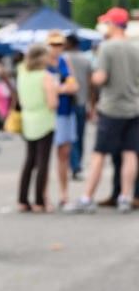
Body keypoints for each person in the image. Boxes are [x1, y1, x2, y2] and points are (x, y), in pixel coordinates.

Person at [67, 7, 139, 213]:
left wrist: (89, 76)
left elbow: (101, 78)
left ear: (114, 24)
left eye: (107, 23)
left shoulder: (107, 48)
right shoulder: (135, 47)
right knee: (130, 153)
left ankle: (87, 197)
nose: (105, 27)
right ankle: (126, 197)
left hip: (111, 108)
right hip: (133, 107)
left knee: (99, 153)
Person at [16, 43, 57, 212]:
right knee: (43, 162)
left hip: (27, 120)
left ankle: (23, 199)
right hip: (44, 121)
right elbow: (52, 102)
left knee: (29, 161)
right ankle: (40, 201)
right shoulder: (45, 76)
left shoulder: (22, 72)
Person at [45, 30, 80, 208]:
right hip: (49, 114)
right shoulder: (42, 63)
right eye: (53, 44)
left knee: (64, 154)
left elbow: (74, 86)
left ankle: (63, 193)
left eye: (59, 44)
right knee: (43, 156)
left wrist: (58, 88)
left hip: (65, 112)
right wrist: (61, 88)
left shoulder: (64, 62)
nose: (57, 48)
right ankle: (43, 194)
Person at [62, 32, 92, 180]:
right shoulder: (86, 59)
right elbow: (91, 84)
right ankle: (78, 164)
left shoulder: (63, 59)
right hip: (81, 102)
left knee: (69, 136)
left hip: (66, 103)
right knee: (80, 136)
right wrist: (91, 104)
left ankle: (73, 165)